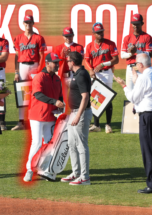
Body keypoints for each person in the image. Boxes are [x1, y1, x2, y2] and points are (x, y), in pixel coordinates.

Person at [114, 53, 152, 194]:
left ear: (141, 65)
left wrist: (124, 85)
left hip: (148, 116)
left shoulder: (144, 78)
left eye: (136, 64)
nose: (135, 66)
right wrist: (137, 81)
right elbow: (148, 93)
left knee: (148, 151)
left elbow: (133, 97)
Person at [23, 53, 64, 182]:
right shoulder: (39, 77)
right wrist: (54, 102)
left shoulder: (57, 79)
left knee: (49, 144)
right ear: (47, 63)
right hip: (37, 115)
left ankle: (45, 170)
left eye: (58, 62)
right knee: (36, 142)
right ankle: (29, 169)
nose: (57, 64)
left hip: (51, 116)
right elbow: (38, 94)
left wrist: (61, 104)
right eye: (55, 62)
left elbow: (60, 96)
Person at [61, 51, 92, 186]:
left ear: (72, 62)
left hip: (80, 113)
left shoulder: (81, 75)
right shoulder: (77, 74)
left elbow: (85, 97)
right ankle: (76, 172)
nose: (67, 63)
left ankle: (85, 177)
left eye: (68, 61)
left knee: (81, 145)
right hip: (73, 113)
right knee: (72, 144)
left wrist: (78, 116)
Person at [12, 14, 47, 130]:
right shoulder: (18, 38)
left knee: (37, 92)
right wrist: (16, 71)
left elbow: (42, 55)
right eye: (26, 23)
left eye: (30, 22)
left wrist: (40, 69)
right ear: (23, 24)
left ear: (33, 23)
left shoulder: (39, 38)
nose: (28, 25)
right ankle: (21, 121)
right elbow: (16, 56)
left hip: (35, 65)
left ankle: (36, 119)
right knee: (21, 93)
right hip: (22, 66)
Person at [85, 22, 119, 133]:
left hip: (106, 73)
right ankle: (96, 125)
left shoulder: (110, 44)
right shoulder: (90, 46)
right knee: (95, 99)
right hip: (95, 74)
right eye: (98, 32)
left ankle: (108, 124)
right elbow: (86, 59)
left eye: (102, 31)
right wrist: (90, 69)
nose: (100, 34)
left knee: (107, 98)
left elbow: (116, 59)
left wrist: (103, 64)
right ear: (93, 33)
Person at [121, 14, 152, 90]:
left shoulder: (147, 37)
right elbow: (122, 55)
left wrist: (137, 51)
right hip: (130, 68)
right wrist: (131, 53)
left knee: (143, 92)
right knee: (130, 93)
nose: (135, 26)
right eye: (134, 24)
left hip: (143, 68)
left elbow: (150, 55)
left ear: (142, 24)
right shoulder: (127, 38)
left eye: (137, 24)